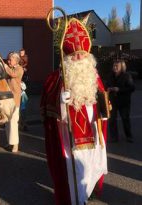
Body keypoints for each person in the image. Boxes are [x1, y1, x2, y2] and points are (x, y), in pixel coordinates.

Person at [40, 18, 108, 205]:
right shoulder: (56, 78)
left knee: (90, 167)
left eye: (82, 54)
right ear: (67, 56)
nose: (79, 58)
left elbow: (103, 102)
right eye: (75, 54)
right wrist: (60, 102)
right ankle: (75, 199)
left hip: (93, 133)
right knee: (74, 171)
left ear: (88, 55)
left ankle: (85, 194)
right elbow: (48, 110)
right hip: (68, 138)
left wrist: (104, 111)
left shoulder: (94, 75)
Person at [107, 60, 135, 143]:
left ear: (122, 67)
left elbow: (132, 88)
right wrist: (108, 88)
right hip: (113, 101)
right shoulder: (110, 75)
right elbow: (107, 85)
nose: (115, 67)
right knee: (112, 119)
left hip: (123, 102)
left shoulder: (127, 76)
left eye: (117, 66)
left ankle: (129, 136)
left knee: (125, 118)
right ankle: (114, 137)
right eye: (114, 66)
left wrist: (119, 89)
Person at [4, 52, 24, 152]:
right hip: (7, 99)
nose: (8, 61)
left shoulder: (19, 69)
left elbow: (13, 74)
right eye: (7, 60)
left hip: (15, 99)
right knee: (7, 122)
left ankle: (15, 144)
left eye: (10, 60)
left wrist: (5, 67)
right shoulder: (9, 69)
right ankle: (9, 143)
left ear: (16, 60)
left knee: (13, 122)